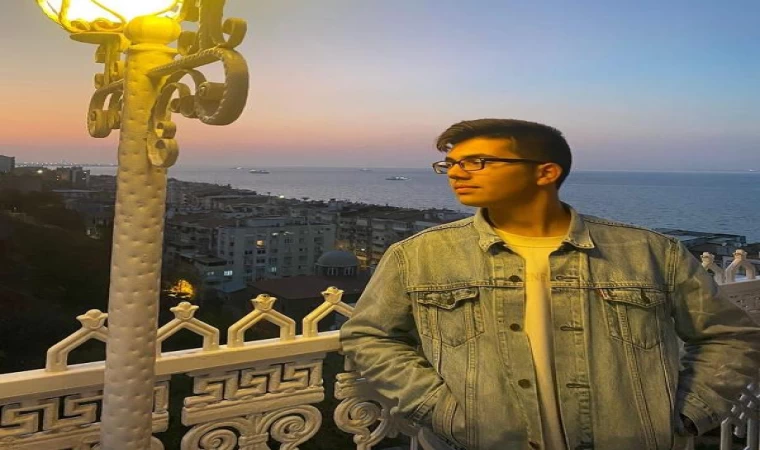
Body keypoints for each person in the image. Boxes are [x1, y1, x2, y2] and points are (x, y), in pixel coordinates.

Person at [339, 118, 760, 450]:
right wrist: (439, 408)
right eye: (450, 164)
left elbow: (728, 336)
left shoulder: (649, 252)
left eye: (476, 161)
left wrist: (685, 414)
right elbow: (369, 336)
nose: (455, 173)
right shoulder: (418, 255)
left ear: (545, 172)